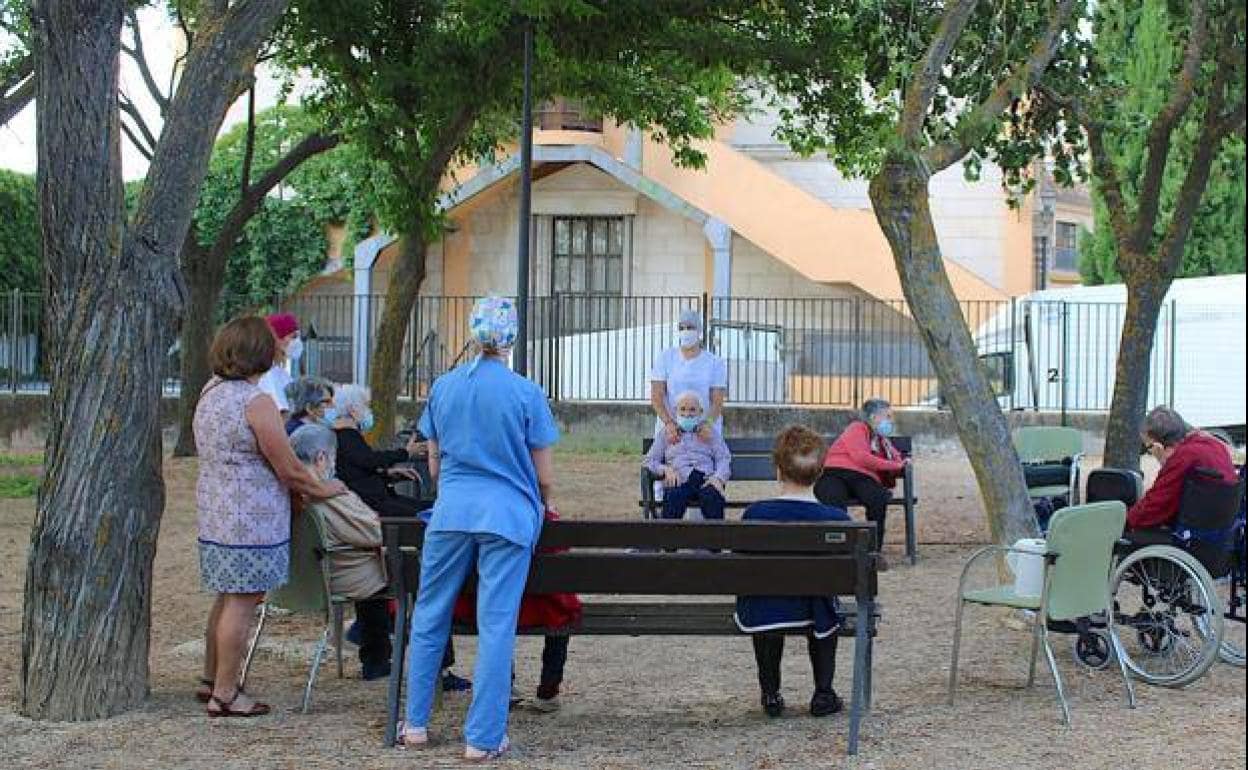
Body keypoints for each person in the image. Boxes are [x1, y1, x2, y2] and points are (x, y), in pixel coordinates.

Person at [400, 296, 559, 761]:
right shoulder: (526, 393)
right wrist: (539, 502)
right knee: (495, 625)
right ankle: (482, 738)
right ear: (512, 338)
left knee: (430, 614)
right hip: (507, 515)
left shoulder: (444, 389)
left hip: (451, 513)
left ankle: (415, 723)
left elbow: (433, 463)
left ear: (473, 333)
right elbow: (544, 475)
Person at [193, 316, 346, 717]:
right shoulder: (255, 401)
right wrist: (326, 487)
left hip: (217, 512)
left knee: (226, 597)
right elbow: (288, 466)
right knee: (243, 604)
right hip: (252, 519)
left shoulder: (210, 392)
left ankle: (212, 678)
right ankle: (225, 693)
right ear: (260, 353)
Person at [735, 425, 850, 719]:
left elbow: (740, 561)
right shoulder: (837, 519)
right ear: (820, 472)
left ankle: (770, 693)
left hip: (764, 610)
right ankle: (823, 692)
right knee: (824, 597)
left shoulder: (755, 514)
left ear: (777, 470)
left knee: (765, 592)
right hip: (814, 609)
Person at [453, 507, 582, 713]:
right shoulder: (547, 521)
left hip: (490, 607)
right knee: (561, 615)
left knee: (496, 617)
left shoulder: (475, 517)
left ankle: (503, 687)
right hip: (545, 610)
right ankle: (548, 692)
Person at [290, 424, 393, 680]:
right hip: (342, 575)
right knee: (393, 571)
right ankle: (378, 660)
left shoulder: (288, 490)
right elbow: (374, 533)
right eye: (334, 457)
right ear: (322, 458)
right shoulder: (329, 492)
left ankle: (371, 648)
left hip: (297, 580)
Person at [814, 398, 908, 569]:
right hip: (834, 473)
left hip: (862, 477)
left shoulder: (882, 441)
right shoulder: (857, 428)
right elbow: (861, 457)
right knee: (833, 500)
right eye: (887, 416)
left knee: (877, 499)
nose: (890, 421)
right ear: (873, 417)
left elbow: (897, 460)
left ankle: (873, 553)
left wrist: (900, 462)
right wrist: (895, 465)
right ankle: (838, 553)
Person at [1126, 406, 1238, 542]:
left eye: (1148, 447)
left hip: (1193, 540)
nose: (1150, 453)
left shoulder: (1183, 458)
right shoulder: (1213, 446)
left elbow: (1154, 507)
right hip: (1218, 537)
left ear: (1158, 446)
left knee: (1128, 537)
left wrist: (1125, 520)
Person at [331, 383, 428, 517]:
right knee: (427, 512)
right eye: (366, 406)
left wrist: (388, 475)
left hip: (373, 500)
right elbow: (369, 460)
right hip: (371, 505)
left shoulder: (344, 436)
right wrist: (404, 453)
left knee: (428, 508)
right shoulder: (347, 436)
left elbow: (359, 472)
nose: (369, 411)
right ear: (353, 410)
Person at [642, 390, 731, 520]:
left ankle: (716, 539)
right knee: (673, 497)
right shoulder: (667, 433)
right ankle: (669, 539)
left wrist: (718, 478)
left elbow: (724, 458)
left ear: (700, 412)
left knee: (712, 497)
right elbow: (649, 461)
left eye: (692, 410)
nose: (687, 414)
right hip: (680, 479)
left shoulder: (709, 432)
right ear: (675, 411)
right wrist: (666, 469)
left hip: (706, 480)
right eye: (682, 409)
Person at [650, 308, 727, 442]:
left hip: (704, 433)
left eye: (690, 327)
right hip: (671, 433)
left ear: (699, 331)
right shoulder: (665, 358)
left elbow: (717, 402)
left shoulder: (715, 363)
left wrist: (707, 424)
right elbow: (657, 396)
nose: (685, 331)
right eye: (681, 327)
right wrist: (669, 423)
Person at [257, 312, 301, 416]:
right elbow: (281, 413)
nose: (297, 342)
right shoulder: (267, 374)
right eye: (293, 336)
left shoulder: (278, 370)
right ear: (276, 339)